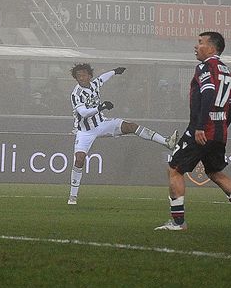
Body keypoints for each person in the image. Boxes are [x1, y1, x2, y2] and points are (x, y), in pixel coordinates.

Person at [67, 63, 178, 205]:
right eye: (78, 76)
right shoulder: (76, 94)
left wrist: (114, 71)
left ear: (89, 75)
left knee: (131, 126)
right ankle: (73, 196)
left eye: (83, 74)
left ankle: (167, 142)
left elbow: (102, 78)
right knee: (79, 160)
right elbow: (83, 113)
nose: (81, 77)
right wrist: (100, 107)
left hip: (102, 124)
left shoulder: (94, 84)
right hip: (85, 131)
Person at [156, 32, 231, 230]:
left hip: (201, 130)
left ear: (212, 48)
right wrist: (222, 126)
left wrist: (200, 126)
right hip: (219, 132)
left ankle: (178, 223)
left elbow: (208, 93)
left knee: (175, 168)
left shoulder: (205, 67)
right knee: (215, 172)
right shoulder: (226, 70)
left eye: (200, 43)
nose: (196, 46)